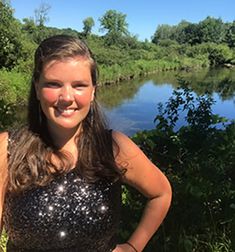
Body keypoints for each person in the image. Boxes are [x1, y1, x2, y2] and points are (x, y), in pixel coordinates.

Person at [0, 35, 172, 252]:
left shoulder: (113, 148)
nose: (66, 97)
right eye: (53, 84)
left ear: (93, 91)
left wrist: (133, 247)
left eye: (79, 85)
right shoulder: (8, 149)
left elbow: (161, 193)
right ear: (36, 88)